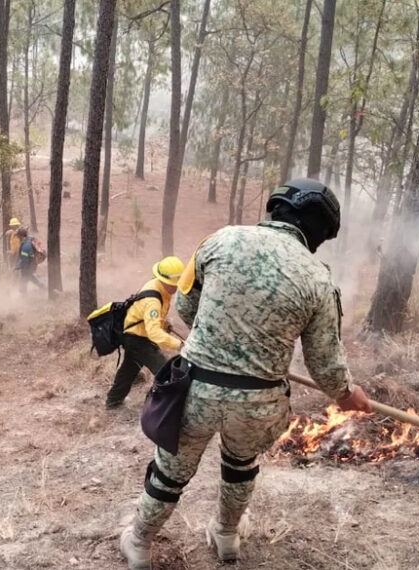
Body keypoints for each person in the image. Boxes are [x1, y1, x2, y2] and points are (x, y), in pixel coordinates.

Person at [118, 179, 373, 569]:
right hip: (259, 403)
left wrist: (221, 334)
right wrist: (347, 393)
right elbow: (324, 363)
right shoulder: (319, 279)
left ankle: (138, 543)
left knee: (169, 474)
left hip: (195, 390)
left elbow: (186, 305)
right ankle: (226, 535)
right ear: (319, 229)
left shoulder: (219, 240)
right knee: (240, 468)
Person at [104, 256, 184, 409]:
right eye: (173, 284)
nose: (176, 288)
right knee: (165, 372)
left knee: (128, 370)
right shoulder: (152, 301)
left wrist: (163, 323)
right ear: (164, 280)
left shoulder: (158, 287)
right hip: (138, 339)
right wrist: (179, 345)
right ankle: (162, 406)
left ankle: (113, 401)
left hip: (136, 335)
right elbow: (154, 333)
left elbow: (150, 317)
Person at [14, 227, 45, 293]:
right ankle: (43, 287)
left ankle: (23, 295)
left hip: (28, 265)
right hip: (32, 263)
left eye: (18, 236)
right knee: (30, 277)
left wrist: (20, 267)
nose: (18, 238)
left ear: (21, 236)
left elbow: (24, 260)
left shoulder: (25, 246)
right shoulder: (29, 239)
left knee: (24, 279)